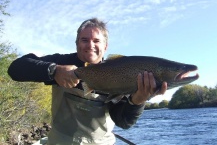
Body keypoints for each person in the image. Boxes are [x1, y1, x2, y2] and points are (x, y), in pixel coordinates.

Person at [8, 18, 167, 145]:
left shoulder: (121, 73)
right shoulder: (62, 62)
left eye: (96, 41)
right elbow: (15, 69)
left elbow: (123, 122)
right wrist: (53, 70)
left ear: (105, 46)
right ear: (77, 44)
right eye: (84, 40)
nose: (90, 45)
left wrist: (138, 100)